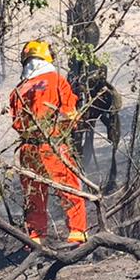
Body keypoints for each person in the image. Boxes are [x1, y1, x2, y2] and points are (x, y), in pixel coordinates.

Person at [9, 40, 89, 246]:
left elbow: (15, 122)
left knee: (33, 194)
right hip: (51, 145)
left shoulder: (17, 90)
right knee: (68, 187)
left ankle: (36, 238)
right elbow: (71, 114)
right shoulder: (56, 80)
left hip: (26, 148)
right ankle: (77, 233)